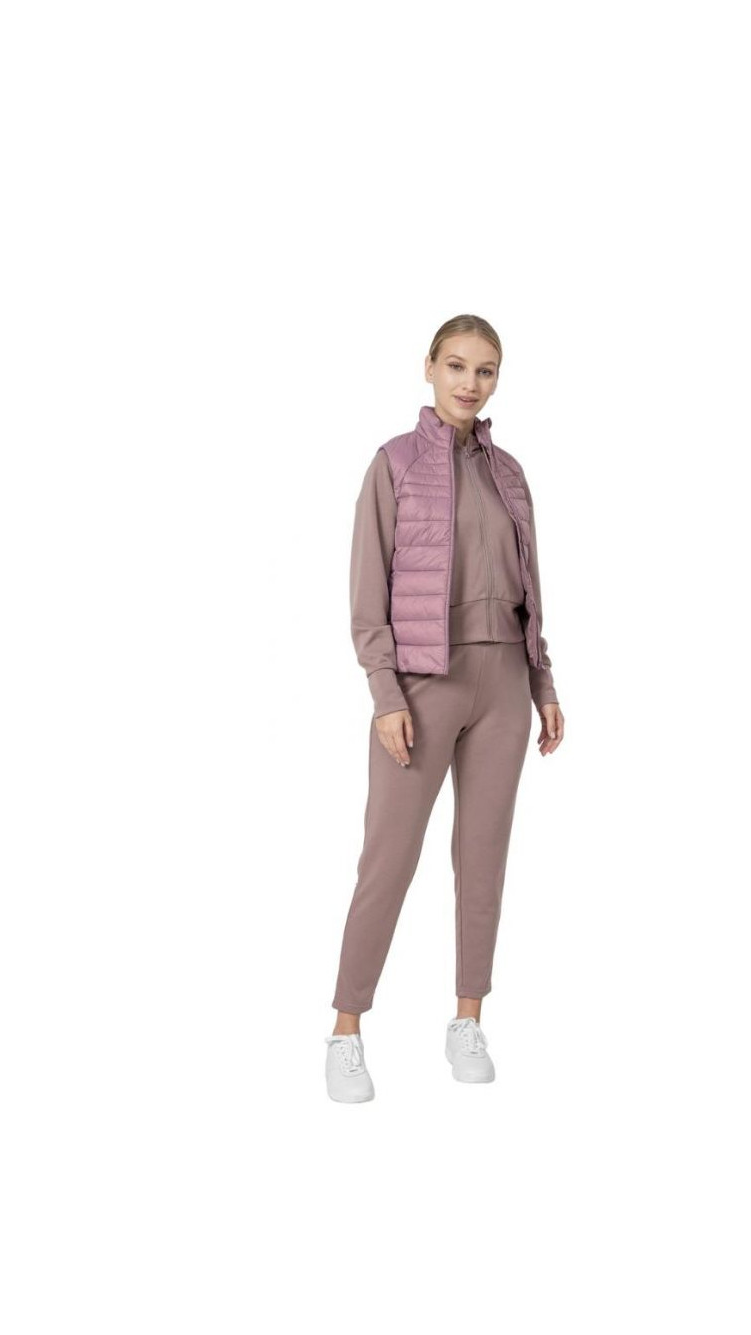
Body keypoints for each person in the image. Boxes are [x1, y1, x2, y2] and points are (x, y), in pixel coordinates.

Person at [324, 314, 565, 1103]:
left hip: (503, 686)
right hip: (424, 686)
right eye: (457, 365)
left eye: (485, 370)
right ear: (429, 366)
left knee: (483, 858)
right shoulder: (394, 464)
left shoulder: (510, 474)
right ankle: (346, 1028)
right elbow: (368, 595)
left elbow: (531, 592)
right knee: (388, 860)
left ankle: (468, 1018)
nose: (470, 382)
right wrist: (385, 693)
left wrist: (543, 684)